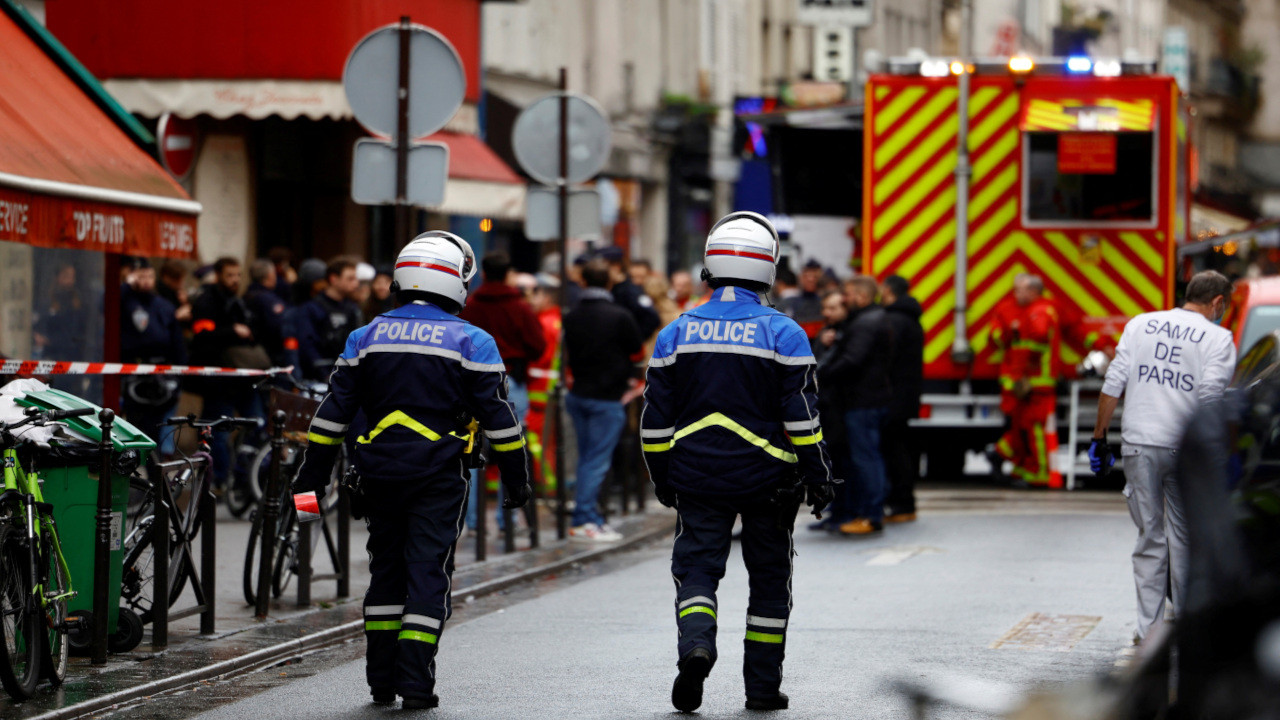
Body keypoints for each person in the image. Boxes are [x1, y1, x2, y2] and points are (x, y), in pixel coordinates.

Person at [292, 231, 533, 710]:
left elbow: (330, 416)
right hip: (438, 477)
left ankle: (381, 681)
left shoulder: (366, 336)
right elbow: (499, 419)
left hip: (376, 475)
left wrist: (308, 483)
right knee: (427, 573)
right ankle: (416, 684)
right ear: (455, 282)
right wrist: (516, 479)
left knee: (386, 573)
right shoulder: (472, 340)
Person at [642, 211, 835, 712]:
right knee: (769, 583)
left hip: (697, 477)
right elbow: (803, 420)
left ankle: (697, 646)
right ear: (769, 268)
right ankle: (762, 689)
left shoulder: (675, 333)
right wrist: (820, 478)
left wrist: (664, 480)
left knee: (697, 572)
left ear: (710, 266)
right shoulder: (785, 333)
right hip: (770, 481)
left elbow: (654, 426)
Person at [1089, 270, 1236, 644]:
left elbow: (1112, 385)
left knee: (1149, 539)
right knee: (1185, 540)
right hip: (1184, 449)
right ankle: (1188, 629)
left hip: (1139, 444)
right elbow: (1209, 399)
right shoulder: (1218, 338)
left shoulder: (1141, 324)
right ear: (1217, 302)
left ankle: (1148, 631)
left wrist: (1100, 438)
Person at [458, 250, 547, 529]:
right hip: (511, 381)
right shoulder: (519, 307)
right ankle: (506, 519)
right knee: (511, 449)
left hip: (470, 383)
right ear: (509, 275)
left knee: (471, 451)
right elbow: (538, 345)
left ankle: (471, 521)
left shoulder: (470, 305)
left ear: (483, 274)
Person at [563, 259, 642, 541]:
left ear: (582, 282)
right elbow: (636, 350)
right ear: (609, 283)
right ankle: (585, 519)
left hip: (578, 394)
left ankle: (590, 516)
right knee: (596, 462)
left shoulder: (571, 315)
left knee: (587, 459)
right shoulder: (618, 316)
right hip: (607, 398)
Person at [820, 275, 893, 535]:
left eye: (848, 294)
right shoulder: (869, 319)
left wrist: (819, 375)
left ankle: (871, 515)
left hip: (862, 401)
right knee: (867, 457)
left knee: (866, 459)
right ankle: (869, 511)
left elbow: (852, 360)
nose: (845, 298)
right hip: (867, 399)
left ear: (861, 296)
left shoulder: (865, 322)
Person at [190, 257, 268, 488]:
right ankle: (219, 480)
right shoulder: (206, 301)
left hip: (244, 379)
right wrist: (233, 331)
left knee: (258, 425)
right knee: (218, 434)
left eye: (238, 275)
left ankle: (244, 476)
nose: (235, 280)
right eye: (229, 275)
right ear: (218, 276)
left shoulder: (239, 302)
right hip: (220, 382)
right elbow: (202, 337)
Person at [989, 274, 1060, 487]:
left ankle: (1032, 470)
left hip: (1034, 382)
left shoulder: (1039, 311)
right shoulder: (1020, 310)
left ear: (1033, 291)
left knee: (1033, 428)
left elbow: (1033, 344)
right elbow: (998, 338)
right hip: (1025, 382)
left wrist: (1019, 373)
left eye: (1019, 290)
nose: (1015, 294)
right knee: (1022, 427)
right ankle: (1017, 464)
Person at [120, 258, 186, 453]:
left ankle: (154, 474)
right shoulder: (125, 300)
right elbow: (106, 304)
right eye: (141, 276)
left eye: (149, 276)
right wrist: (127, 285)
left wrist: (178, 377)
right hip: (132, 373)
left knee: (155, 431)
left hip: (160, 376)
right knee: (134, 428)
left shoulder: (163, 305)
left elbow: (177, 343)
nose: (146, 281)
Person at [809, 290, 854, 531]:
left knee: (842, 461)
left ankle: (844, 511)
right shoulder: (828, 332)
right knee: (832, 461)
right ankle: (836, 511)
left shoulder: (846, 332)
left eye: (832, 308)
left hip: (840, 406)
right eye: (825, 308)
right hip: (827, 405)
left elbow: (824, 368)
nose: (827, 313)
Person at [879, 275, 923, 523]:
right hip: (904, 396)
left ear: (887, 290)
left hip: (893, 396)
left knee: (893, 451)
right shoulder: (909, 318)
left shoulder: (894, 320)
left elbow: (885, 359)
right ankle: (902, 502)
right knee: (900, 449)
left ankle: (901, 503)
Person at [524, 276, 562, 492]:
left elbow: (540, 357)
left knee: (536, 442)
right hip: (550, 390)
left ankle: (544, 484)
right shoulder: (556, 319)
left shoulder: (544, 323)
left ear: (546, 297)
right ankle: (549, 484)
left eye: (535, 295)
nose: (531, 300)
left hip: (539, 390)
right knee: (549, 443)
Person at [297, 258, 363, 381]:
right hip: (318, 377)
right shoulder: (312, 308)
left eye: (356, 278)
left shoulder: (353, 309)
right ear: (333, 279)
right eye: (350, 278)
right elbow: (307, 346)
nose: (356, 283)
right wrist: (325, 374)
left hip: (347, 376)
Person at [598, 246, 661, 338]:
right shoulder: (610, 288)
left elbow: (652, 318)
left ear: (616, 267)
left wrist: (634, 341)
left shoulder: (630, 290)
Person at [243, 259, 290, 368]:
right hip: (271, 355)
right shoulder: (269, 300)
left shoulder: (246, 296)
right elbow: (281, 326)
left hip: (254, 352)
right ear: (270, 275)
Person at [779, 259, 825, 339]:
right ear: (801, 278)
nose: (810, 279)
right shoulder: (789, 303)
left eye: (814, 276)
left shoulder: (824, 304)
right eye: (806, 276)